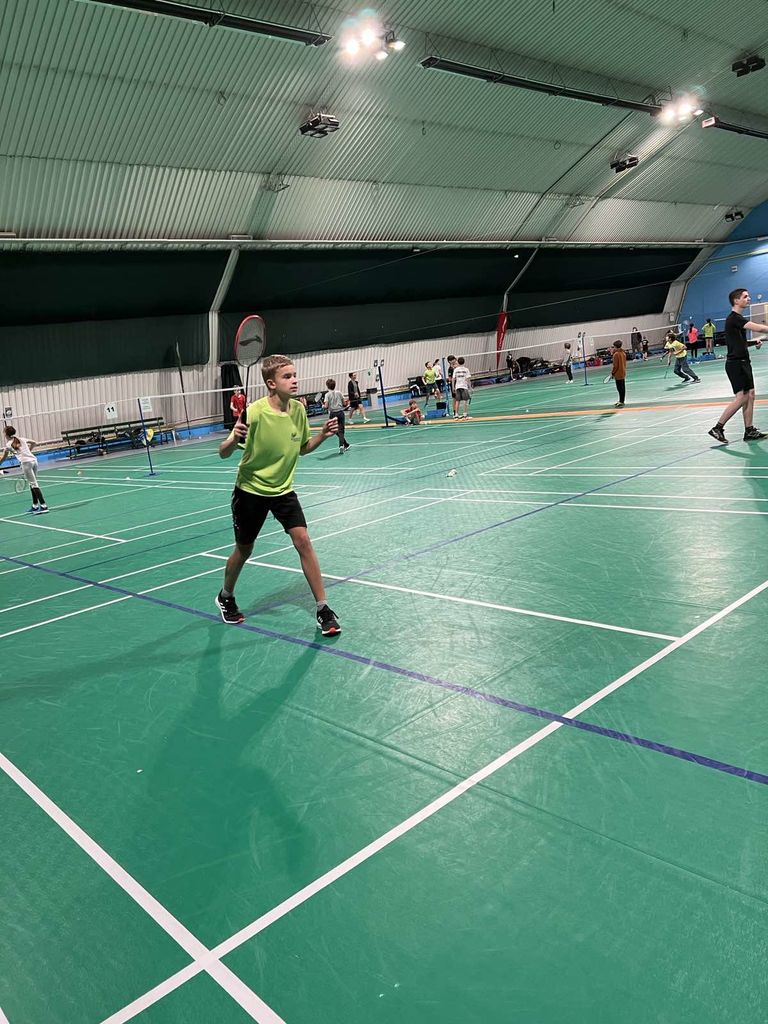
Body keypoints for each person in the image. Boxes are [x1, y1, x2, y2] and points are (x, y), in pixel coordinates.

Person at [215, 354, 341, 635]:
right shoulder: (254, 412)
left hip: (283, 490)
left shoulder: (298, 410)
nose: (294, 380)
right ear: (271, 383)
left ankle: (323, 608)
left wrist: (322, 435)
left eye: (295, 375)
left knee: (303, 541)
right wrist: (234, 438)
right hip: (250, 491)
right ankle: (226, 595)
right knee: (244, 549)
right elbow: (223, 452)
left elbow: (302, 448)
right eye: (287, 376)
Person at [708, 288, 768, 444]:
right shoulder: (734, 318)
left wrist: (753, 343)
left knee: (751, 394)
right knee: (742, 397)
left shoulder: (737, 319)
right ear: (736, 300)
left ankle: (749, 430)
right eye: (745, 296)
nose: (749, 298)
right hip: (736, 364)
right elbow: (760, 328)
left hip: (743, 362)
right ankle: (717, 428)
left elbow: (738, 342)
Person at [0, 426, 49, 513]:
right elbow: (34, 443)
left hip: (26, 464)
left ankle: (44, 506)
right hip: (34, 461)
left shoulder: (8, 445)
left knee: (34, 484)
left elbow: (3, 458)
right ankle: (35, 505)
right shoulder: (21, 439)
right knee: (32, 484)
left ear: (6, 434)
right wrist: (28, 452)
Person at [323, 378, 350, 454]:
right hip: (340, 413)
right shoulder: (339, 393)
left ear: (327, 386)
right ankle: (343, 444)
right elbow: (344, 404)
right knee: (341, 430)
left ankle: (343, 445)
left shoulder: (327, 395)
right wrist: (346, 403)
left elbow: (326, 406)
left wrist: (323, 406)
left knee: (334, 430)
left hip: (332, 414)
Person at [611, 340, 627, 408]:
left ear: (615, 346)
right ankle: (621, 401)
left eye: (613, 347)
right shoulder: (623, 353)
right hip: (623, 372)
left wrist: (613, 373)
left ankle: (621, 401)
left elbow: (615, 366)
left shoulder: (616, 354)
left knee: (619, 388)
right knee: (623, 387)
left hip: (618, 373)